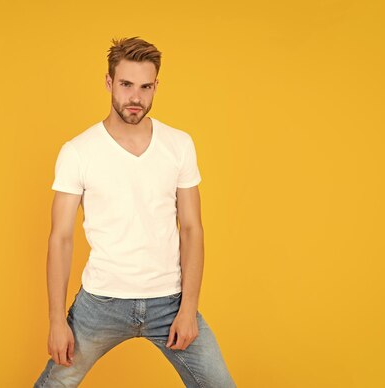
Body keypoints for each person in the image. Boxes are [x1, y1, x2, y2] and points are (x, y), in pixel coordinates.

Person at [34, 36, 236, 387]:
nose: (136, 98)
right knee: (55, 384)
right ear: (109, 82)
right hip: (101, 303)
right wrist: (56, 321)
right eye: (126, 85)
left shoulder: (178, 145)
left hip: (169, 302)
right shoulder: (78, 151)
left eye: (145, 86)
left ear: (156, 85)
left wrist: (188, 309)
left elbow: (191, 229)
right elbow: (61, 238)